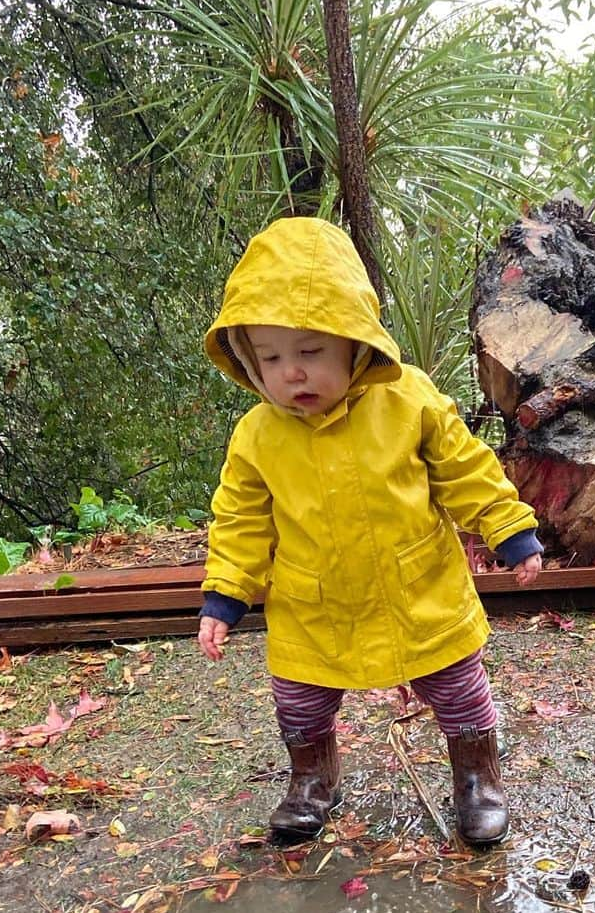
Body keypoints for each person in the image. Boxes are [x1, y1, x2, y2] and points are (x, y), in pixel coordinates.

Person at [197, 217, 543, 845]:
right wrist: (225, 595)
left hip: (418, 588)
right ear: (249, 361)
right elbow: (241, 522)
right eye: (271, 358)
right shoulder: (257, 436)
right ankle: (312, 778)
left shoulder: (409, 400)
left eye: (309, 352)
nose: (292, 374)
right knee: (300, 698)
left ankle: (477, 777)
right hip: (313, 601)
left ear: (355, 345)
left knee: (458, 688)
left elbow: (465, 470)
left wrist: (508, 528)